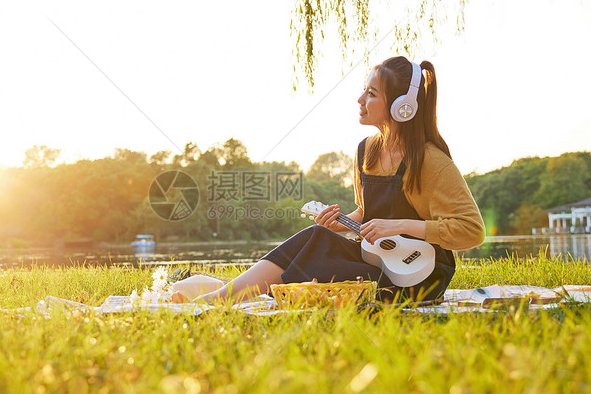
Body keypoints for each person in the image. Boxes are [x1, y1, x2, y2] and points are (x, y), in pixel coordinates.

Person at [172, 56, 485, 306]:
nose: (361, 99)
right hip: (376, 262)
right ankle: (224, 295)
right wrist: (342, 222)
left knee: (311, 261)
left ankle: (217, 298)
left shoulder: (431, 161)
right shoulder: (366, 152)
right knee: (317, 237)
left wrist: (402, 226)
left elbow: (472, 230)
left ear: (403, 107)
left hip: (419, 272)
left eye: (372, 93)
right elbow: (367, 212)